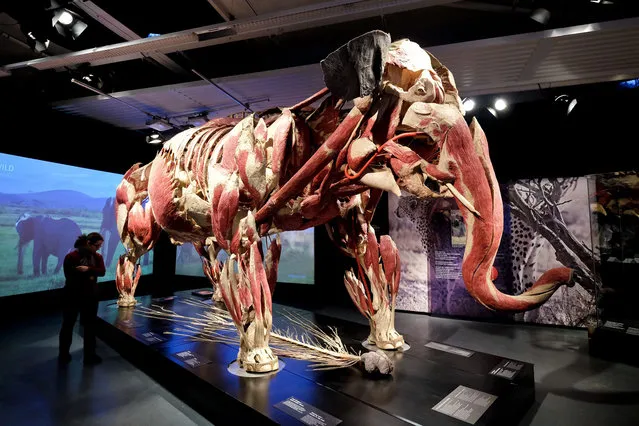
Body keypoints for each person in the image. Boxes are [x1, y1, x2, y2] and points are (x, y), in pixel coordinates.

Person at [58, 232, 106, 366]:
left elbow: (102, 271)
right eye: (97, 245)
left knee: (90, 326)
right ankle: (63, 354)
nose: (99, 248)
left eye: (100, 246)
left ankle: (89, 355)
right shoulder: (71, 256)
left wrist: (88, 269)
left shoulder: (97, 257)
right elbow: (69, 275)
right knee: (68, 325)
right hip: (73, 296)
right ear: (88, 243)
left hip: (90, 296)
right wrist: (91, 271)